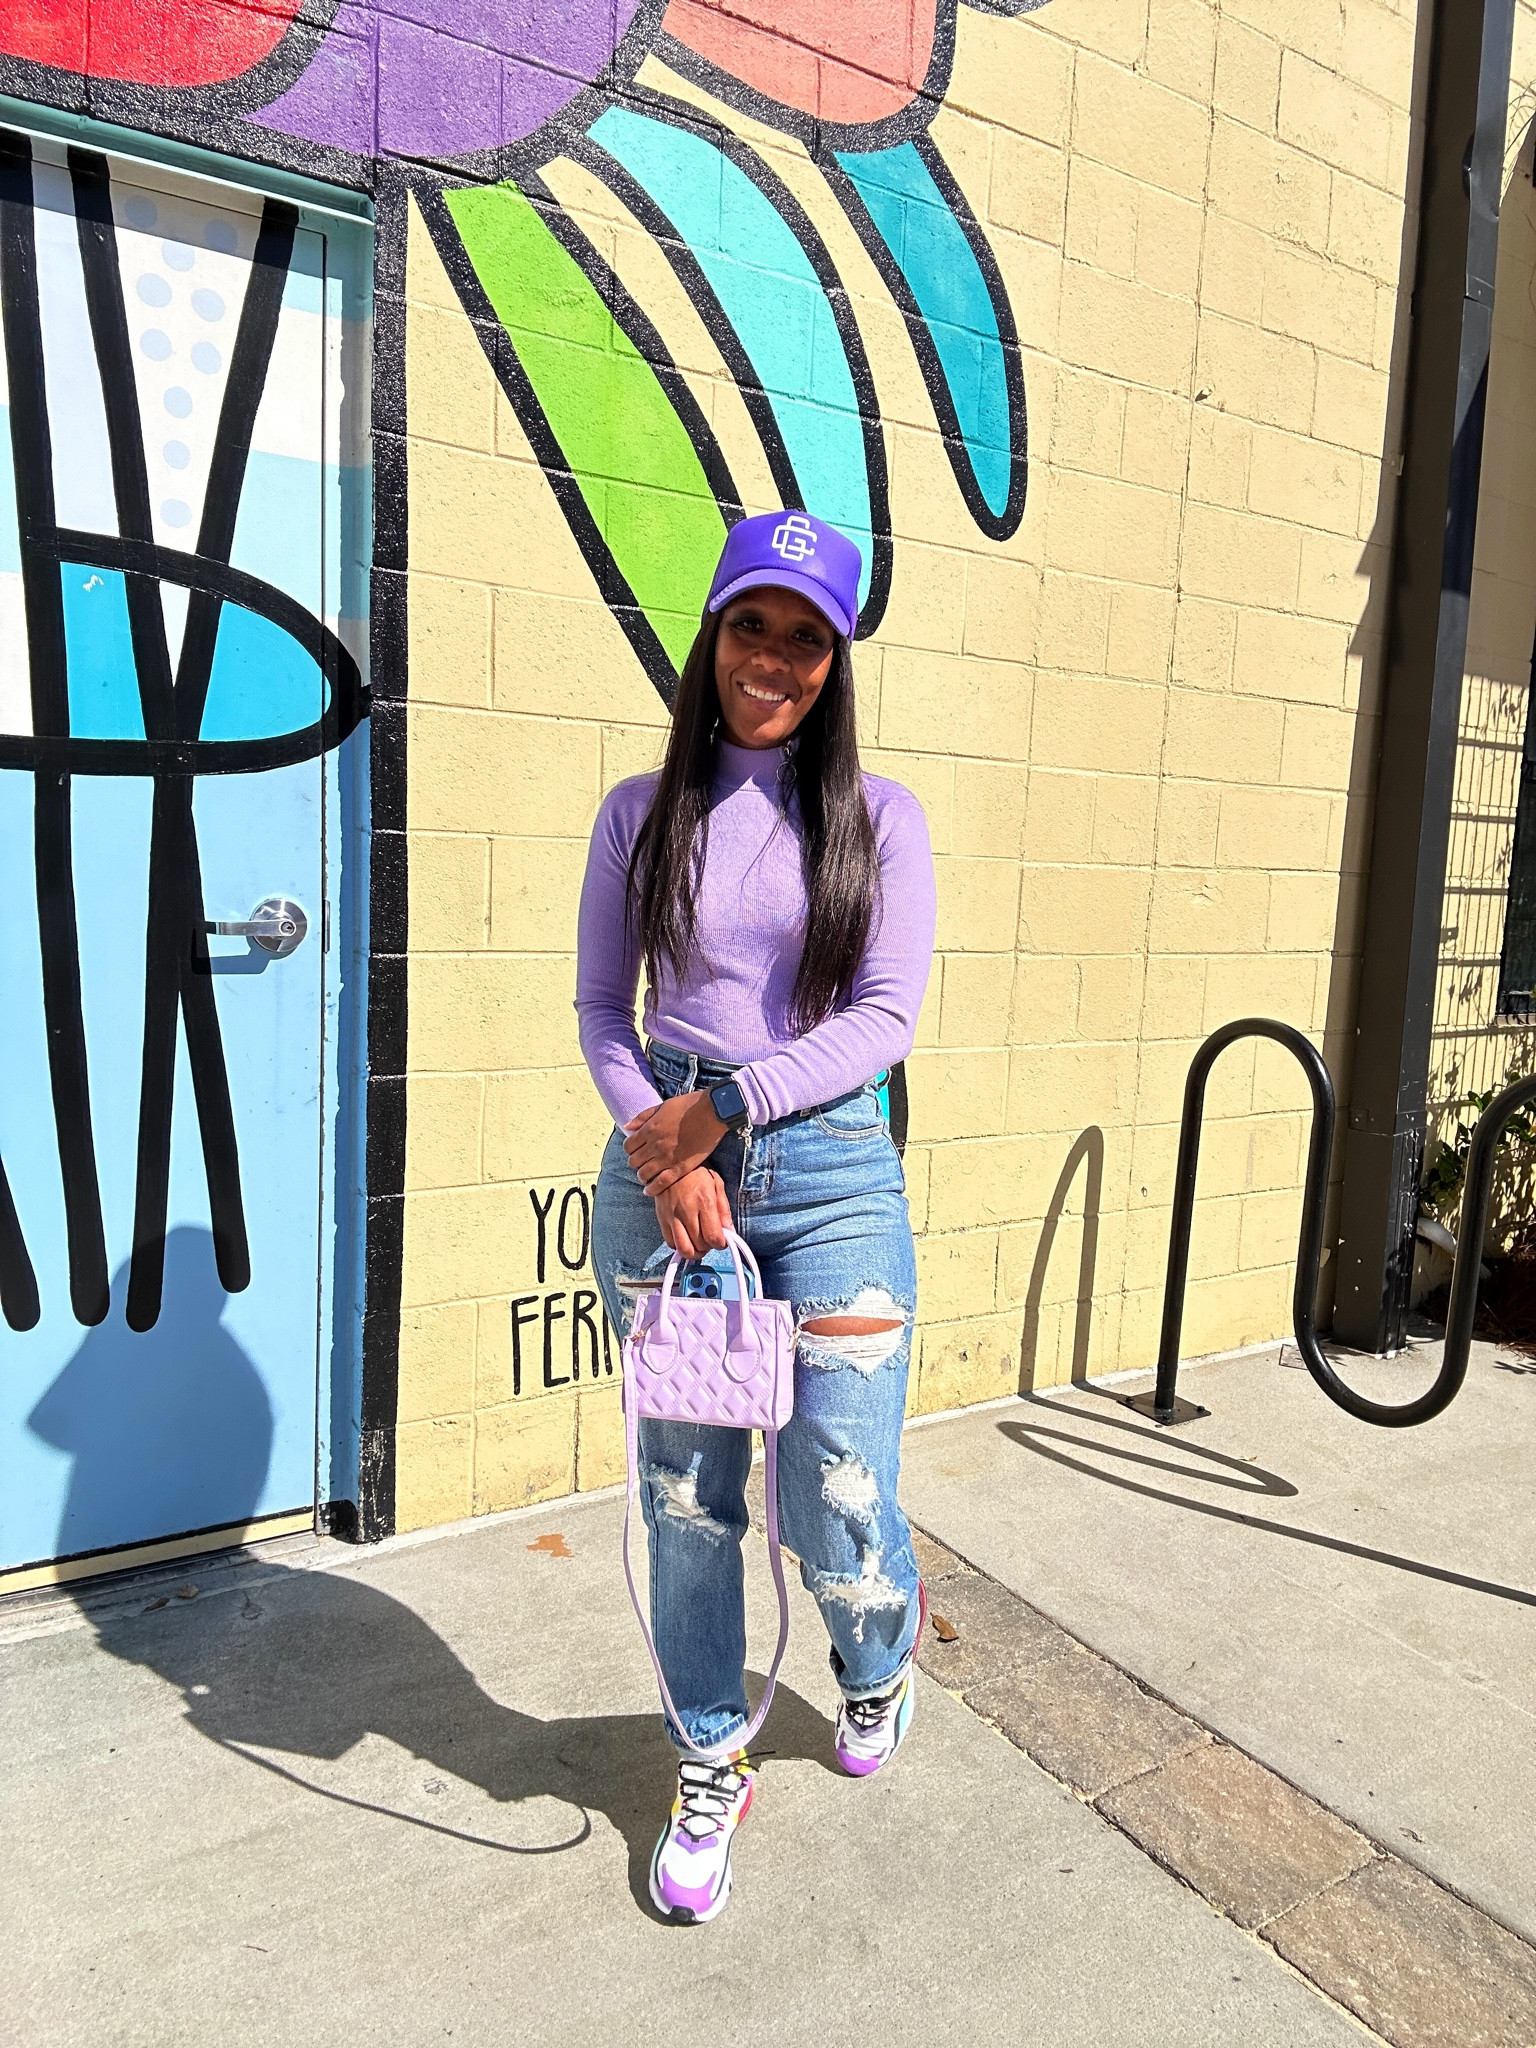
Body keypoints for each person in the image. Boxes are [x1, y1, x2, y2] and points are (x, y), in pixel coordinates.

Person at [576, 509, 937, 1925]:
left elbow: (887, 1018)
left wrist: (723, 1113)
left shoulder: (880, 819)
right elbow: (611, 1015)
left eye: (806, 638)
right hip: (675, 1175)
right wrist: (670, 1160)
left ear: (834, 664)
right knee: (690, 1498)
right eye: (752, 625)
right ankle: (709, 1759)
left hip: (831, 1166)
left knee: (839, 1490)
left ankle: (875, 1651)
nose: (774, 658)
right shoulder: (639, 812)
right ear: (712, 635)